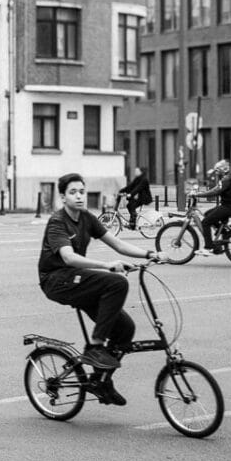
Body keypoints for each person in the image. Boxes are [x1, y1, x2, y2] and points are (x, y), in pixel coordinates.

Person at [38, 172, 161, 408]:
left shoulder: (87, 218)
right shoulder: (57, 222)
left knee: (125, 329)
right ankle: (95, 347)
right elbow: (69, 257)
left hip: (78, 280)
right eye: (73, 192)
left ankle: (101, 381)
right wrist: (107, 266)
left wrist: (149, 253)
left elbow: (117, 244)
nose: (79, 196)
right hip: (56, 280)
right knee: (117, 283)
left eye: (82, 191)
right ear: (63, 197)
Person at [192, 159, 231, 255]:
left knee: (205, 222)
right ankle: (224, 231)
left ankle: (208, 247)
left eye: (218, 170)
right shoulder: (230, 177)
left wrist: (198, 194)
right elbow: (217, 189)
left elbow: (215, 191)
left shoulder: (226, 179)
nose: (216, 173)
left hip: (229, 207)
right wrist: (201, 193)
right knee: (207, 213)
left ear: (224, 170)